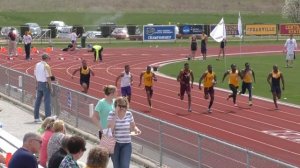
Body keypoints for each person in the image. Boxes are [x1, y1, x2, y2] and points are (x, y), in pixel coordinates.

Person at [107, 97, 141, 168]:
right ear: (116, 106)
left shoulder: (129, 114)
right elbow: (110, 129)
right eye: (120, 106)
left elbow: (133, 126)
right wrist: (115, 114)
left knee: (124, 166)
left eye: (124, 106)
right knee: (116, 166)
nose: (123, 108)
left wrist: (136, 130)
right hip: (114, 144)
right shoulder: (111, 114)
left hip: (126, 144)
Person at [33, 54, 53, 123]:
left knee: (37, 101)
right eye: (48, 58)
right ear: (46, 58)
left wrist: (36, 84)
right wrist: (50, 87)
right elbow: (48, 77)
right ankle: (48, 119)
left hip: (39, 83)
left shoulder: (37, 64)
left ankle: (36, 117)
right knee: (47, 102)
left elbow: (35, 75)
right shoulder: (46, 66)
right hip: (45, 84)